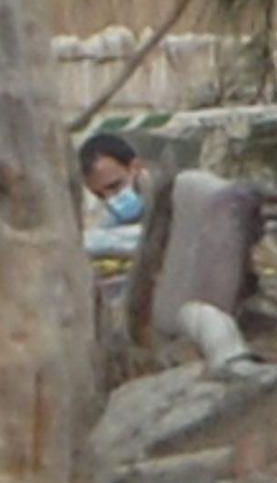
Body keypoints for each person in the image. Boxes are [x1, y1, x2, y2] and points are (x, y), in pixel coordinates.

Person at [76, 132, 264, 377]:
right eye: (101, 195)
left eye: (114, 186)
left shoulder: (183, 196)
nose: (112, 199)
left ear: (135, 167)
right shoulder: (112, 224)